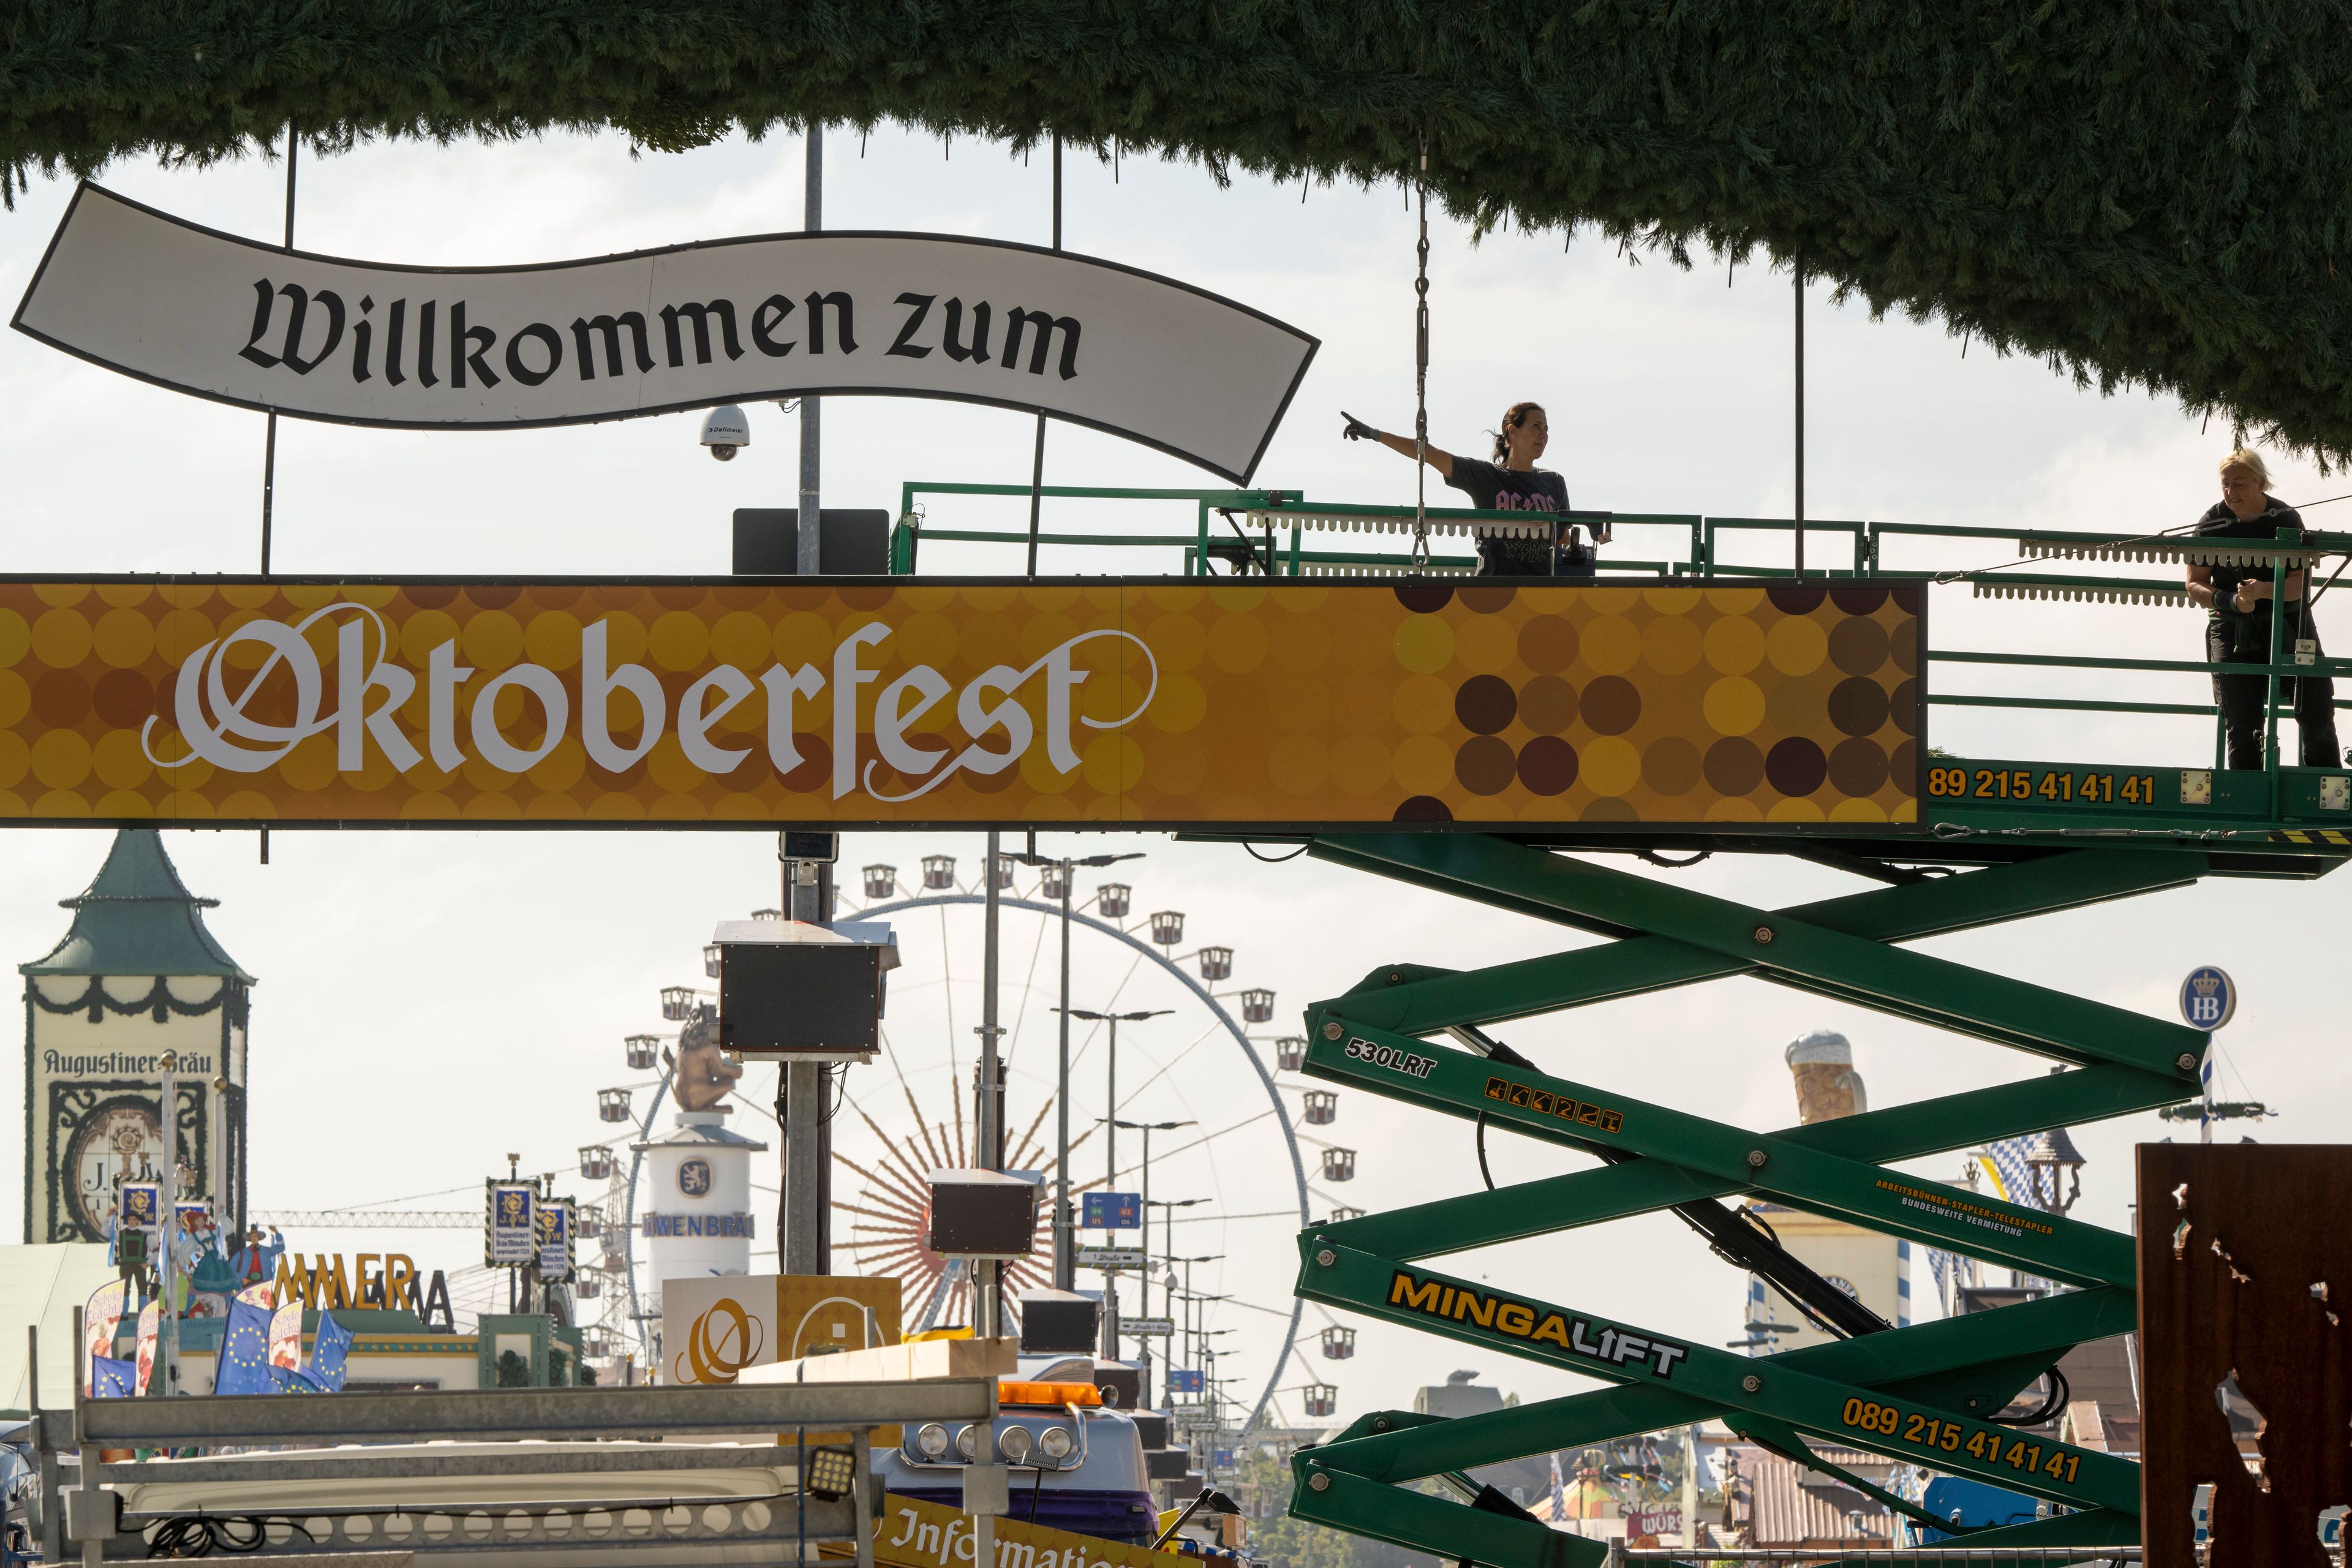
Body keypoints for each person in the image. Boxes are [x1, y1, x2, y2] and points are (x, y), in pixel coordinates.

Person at [2185, 448, 2341, 769]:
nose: (2231, 492)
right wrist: (2232, 601)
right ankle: (2245, 795)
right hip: (2231, 627)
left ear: (2261, 484)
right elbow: (2194, 584)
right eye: (2225, 484)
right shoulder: (2212, 522)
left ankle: (2325, 788)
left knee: (2316, 705)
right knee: (2241, 717)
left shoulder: (2286, 518)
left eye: (2239, 484)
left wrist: (2264, 591)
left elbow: (2300, 583)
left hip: (2288, 621)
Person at [1343, 401, 1607, 576]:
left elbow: (1562, 540)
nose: (1543, 435)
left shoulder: (1554, 482)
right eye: (1536, 427)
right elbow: (1431, 454)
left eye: (1546, 429)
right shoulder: (1485, 476)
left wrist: (1590, 540)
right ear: (1512, 432)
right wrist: (1375, 435)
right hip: (1493, 589)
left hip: (1541, 592)